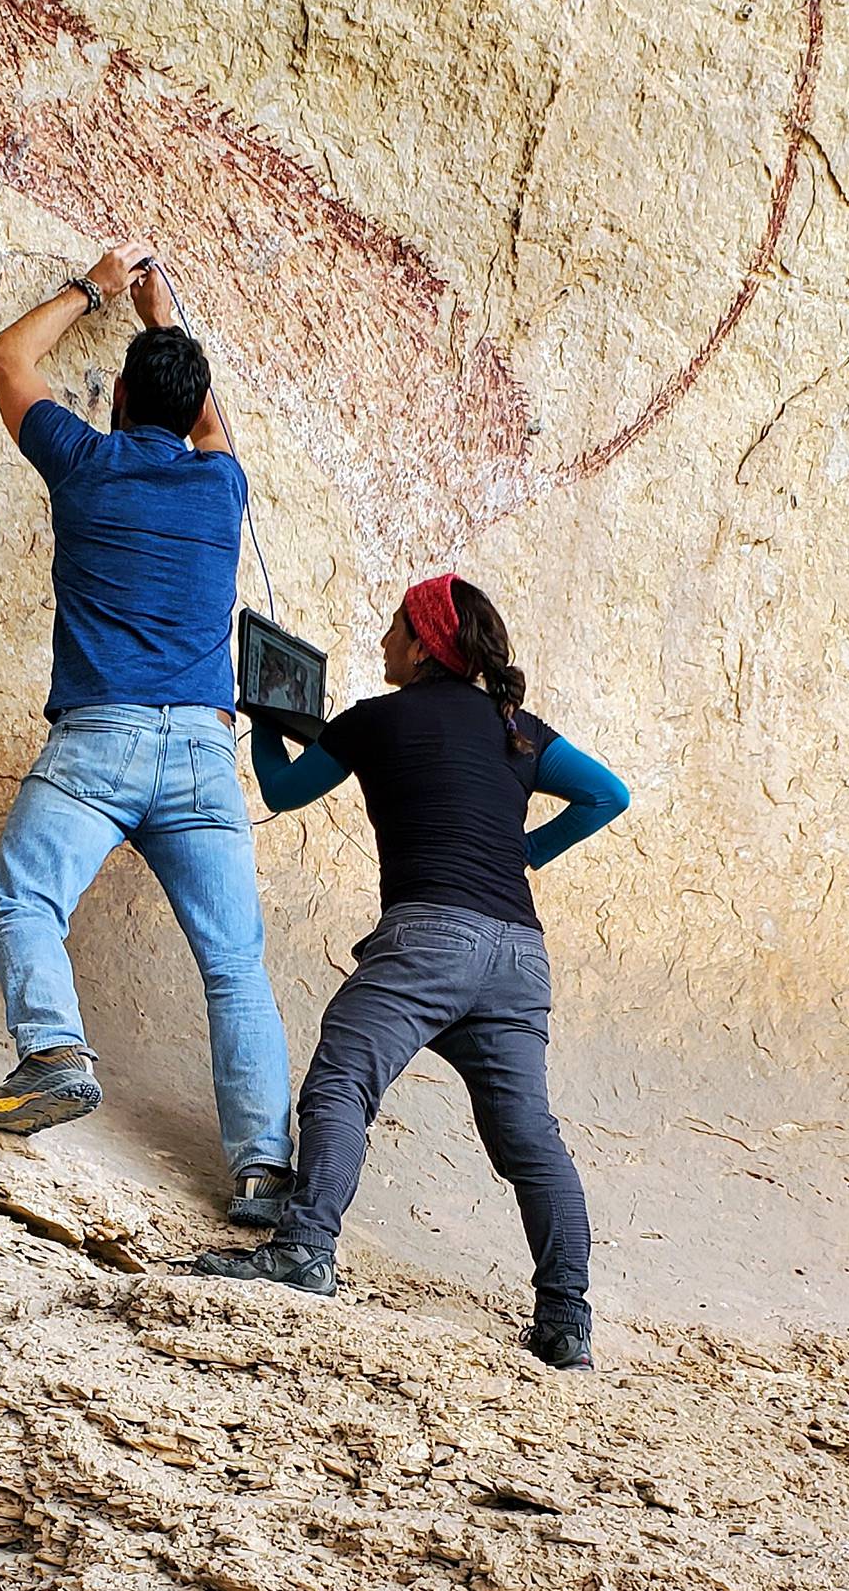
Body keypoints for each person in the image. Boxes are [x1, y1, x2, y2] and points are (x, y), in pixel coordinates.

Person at [188, 573, 627, 1367]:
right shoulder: (516, 728)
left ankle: (303, 1250)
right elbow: (608, 796)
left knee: (342, 1080)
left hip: (430, 939)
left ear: (426, 644)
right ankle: (566, 1324)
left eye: (396, 628)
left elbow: (283, 791)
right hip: (520, 957)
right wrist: (525, 853)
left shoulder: (374, 721)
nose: (387, 641)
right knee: (529, 1136)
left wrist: (260, 719)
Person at [0, 248, 295, 1230]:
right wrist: (163, 315)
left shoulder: (86, 461)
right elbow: (212, 426)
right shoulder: (219, 490)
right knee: (235, 966)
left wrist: (92, 289)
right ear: (192, 413)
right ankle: (263, 1171)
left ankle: (56, 1052)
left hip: (97, 743)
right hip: (201, 754)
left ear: (114, 401)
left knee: (25, 901)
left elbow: (7, 360)